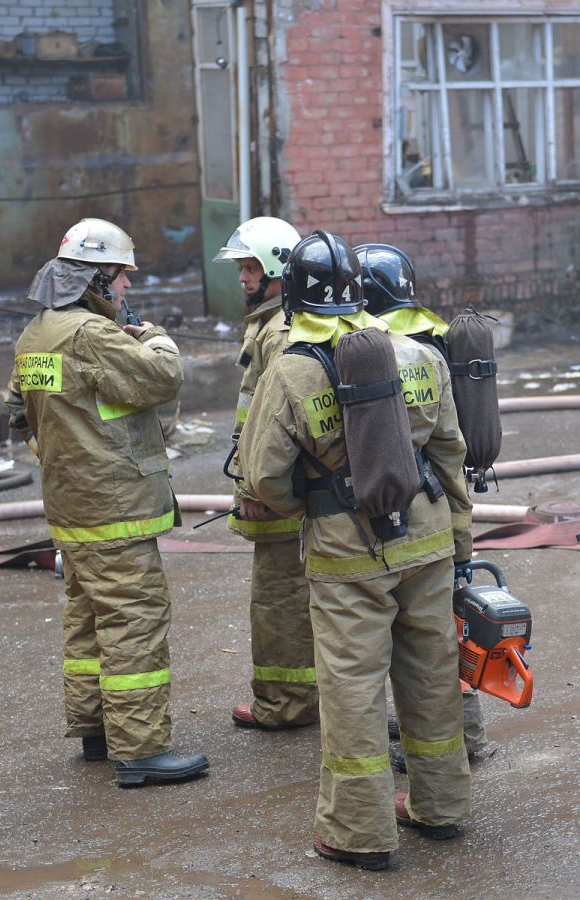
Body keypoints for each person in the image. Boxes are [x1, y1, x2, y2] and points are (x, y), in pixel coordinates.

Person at [238, 231, 472, 871]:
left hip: (347, 555)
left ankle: (358, 833)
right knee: (430, 676)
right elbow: (450, 453)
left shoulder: (292, 367)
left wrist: (306, 510)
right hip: (426, 540)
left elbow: (263, 478)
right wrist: (459, 540)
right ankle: (443, 807)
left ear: (296, 297)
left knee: (352, 689)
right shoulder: (420, 355)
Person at [7, 218, 208, 787]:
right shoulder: (92, 335)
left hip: (72, 510)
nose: (126, 290)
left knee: (88, 621)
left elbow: (18, 413)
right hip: (115, 510)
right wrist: (154, 335)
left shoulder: (35, 336)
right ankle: (140, 750)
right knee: (134, 621)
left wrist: (63, 454)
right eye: (121, 278)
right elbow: (163, 376)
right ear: (96, 280)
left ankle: (95, 730)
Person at [355, 242, 497, 770]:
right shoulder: (436, 337)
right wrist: (463, 541)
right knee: (444, 633)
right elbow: (454, 450)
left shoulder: (369, 350)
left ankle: (460, 741)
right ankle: (462, 738)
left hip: (397, 513)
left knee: (416, 644)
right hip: (445, 507)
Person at [213, 216, 319, 730]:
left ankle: (285, 704)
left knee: (279, 597)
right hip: (281, 481)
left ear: (277, 266)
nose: (242, 278)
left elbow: (269, 420)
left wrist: (254, 485)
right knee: (292, 592)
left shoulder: (278, 332)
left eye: (249, 267)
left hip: (276, 486)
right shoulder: (275, 321)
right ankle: (301, 696)